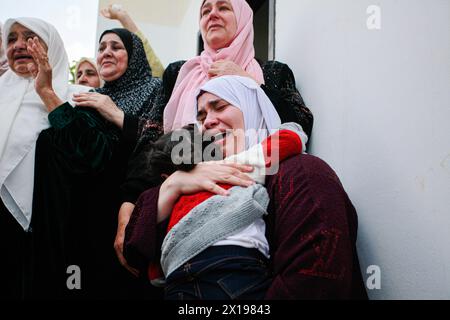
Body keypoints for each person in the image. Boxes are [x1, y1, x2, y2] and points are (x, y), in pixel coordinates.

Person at [112, 0, 315, 271]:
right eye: (205, 10)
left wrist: (248, 82)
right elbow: (154, 138)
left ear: (243, 18)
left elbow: (299, 123)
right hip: (180, 198)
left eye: (224, 7)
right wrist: (130, 201)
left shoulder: (271, 72)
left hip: (250, 203)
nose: (213, 15)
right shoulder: (179, 73)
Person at [136, 76, 308, 300]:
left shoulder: (300, 172)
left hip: (202, 276)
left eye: (220, 106)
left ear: (248, 105)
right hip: (199, 276)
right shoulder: (197, 172)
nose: (207, 122)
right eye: (201, 116)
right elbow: (136, 245)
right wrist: (172, 184)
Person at [27, 28, 164, 298]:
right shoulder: (88, 95)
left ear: (134, 55)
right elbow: (80, 150)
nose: (106, 53)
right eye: (101, 47)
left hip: (133, 208)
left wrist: (116, 114)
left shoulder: (155, 89)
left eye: (116, 46)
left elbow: (164, 139)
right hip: (89, 219)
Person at [0, 17, 89, 299]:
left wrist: (47, 93)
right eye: (11, 39)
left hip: (45, 236)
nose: (19, 45)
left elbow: (88, 155)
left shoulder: (79, 97)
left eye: (30, 37)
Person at [100, 4, 165, 78]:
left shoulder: (151, 87)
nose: (106, 53)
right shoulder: (92, 89)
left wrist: (123, 17)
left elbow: (155, 69)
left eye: (116, 47)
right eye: (101, 49)